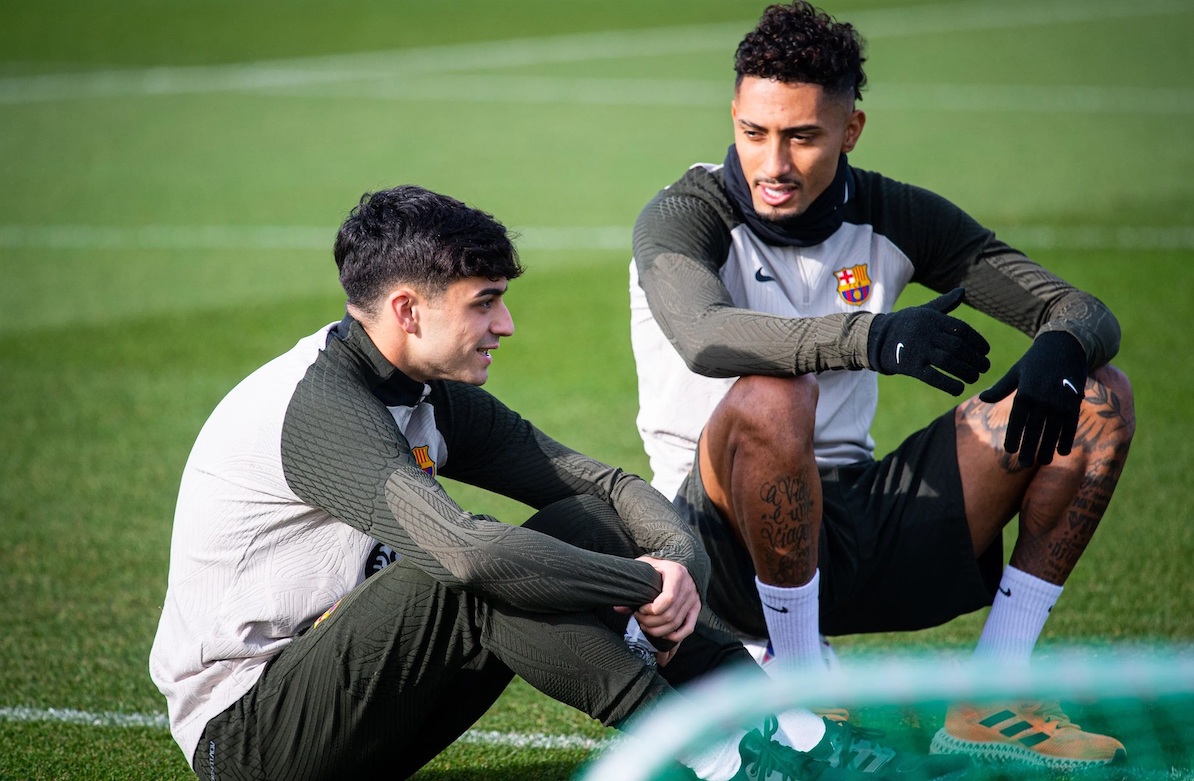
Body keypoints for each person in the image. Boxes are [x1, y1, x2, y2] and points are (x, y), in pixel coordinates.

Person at [149, 184, 964, 781]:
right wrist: (640, 582)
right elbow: (468, 557)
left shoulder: (425, 389)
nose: (504, 324)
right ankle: (724, 765)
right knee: (471, 568)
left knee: (574, 521)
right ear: (406, 309)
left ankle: (793, 736)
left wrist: (677, 557)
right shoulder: (320, 406)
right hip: (251, 742)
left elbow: (604, 486)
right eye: (485, 303)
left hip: (353, 703)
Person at [629, 1, 1136, 770]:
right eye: (755, 132)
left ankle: (994, 691)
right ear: (733, 114)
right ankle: (796, 687)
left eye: (802, 136)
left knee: (1100, 401)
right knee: (777, 394)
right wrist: (873, 337)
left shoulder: (892, 212)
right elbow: (705, 337)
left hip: (851, 524)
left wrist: (1063, 344)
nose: (773, 163)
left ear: (850, 130)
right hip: (712, 547)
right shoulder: (683, 215)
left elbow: (1079, 307)